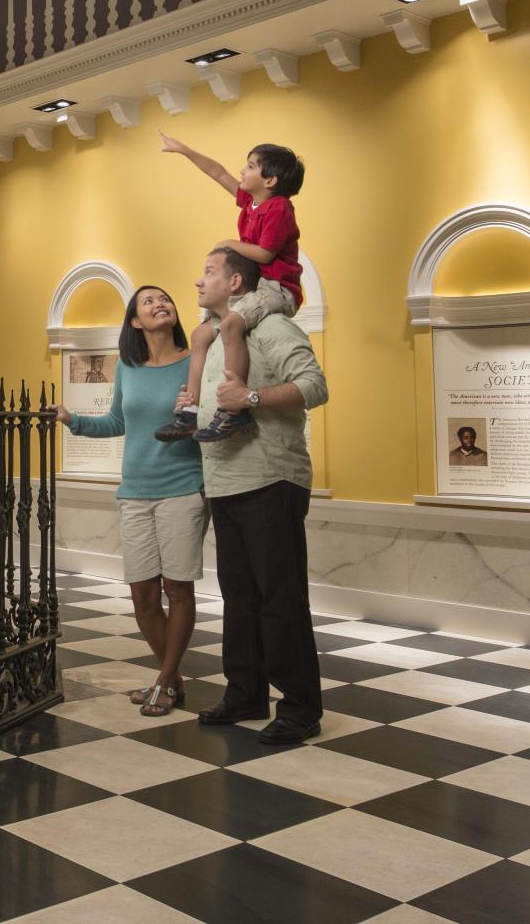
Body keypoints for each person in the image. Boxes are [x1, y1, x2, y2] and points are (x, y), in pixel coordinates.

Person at [188, 248, 329, 745]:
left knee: (280, 598)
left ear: (238, 283)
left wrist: (251, 398)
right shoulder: (214, 336)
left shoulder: (270, 328)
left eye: (209, 272)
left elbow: (315, 385)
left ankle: (299, 707)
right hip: (225, 481)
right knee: (240, 596)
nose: (198, 281)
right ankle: (245, 692)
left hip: (271, 479)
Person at [53, 286, 207, 718]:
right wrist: (73, 420)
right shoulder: (129, 366)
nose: (161, 304)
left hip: (182, 486)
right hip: (135, 491)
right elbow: (118, 421)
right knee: (142, 594)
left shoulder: (195, 362)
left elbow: (209, 418)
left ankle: (163, 680)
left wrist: (198, 417)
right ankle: (171, 678)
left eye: (165, 299)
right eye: (149, 301)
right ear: (135, 321)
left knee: (177, 588)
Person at [156, 135, 307, 442]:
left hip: (276, 288)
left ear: (270, 180)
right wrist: (184, 149)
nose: (242, 170)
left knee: (232, 324)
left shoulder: (279, 208)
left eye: (251, 166)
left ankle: (233, 410)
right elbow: (218, 173)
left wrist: (228, 244)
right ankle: (190, 410)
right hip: (253, 287)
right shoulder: (251, 203)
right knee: (199, 335)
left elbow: (265, 254)